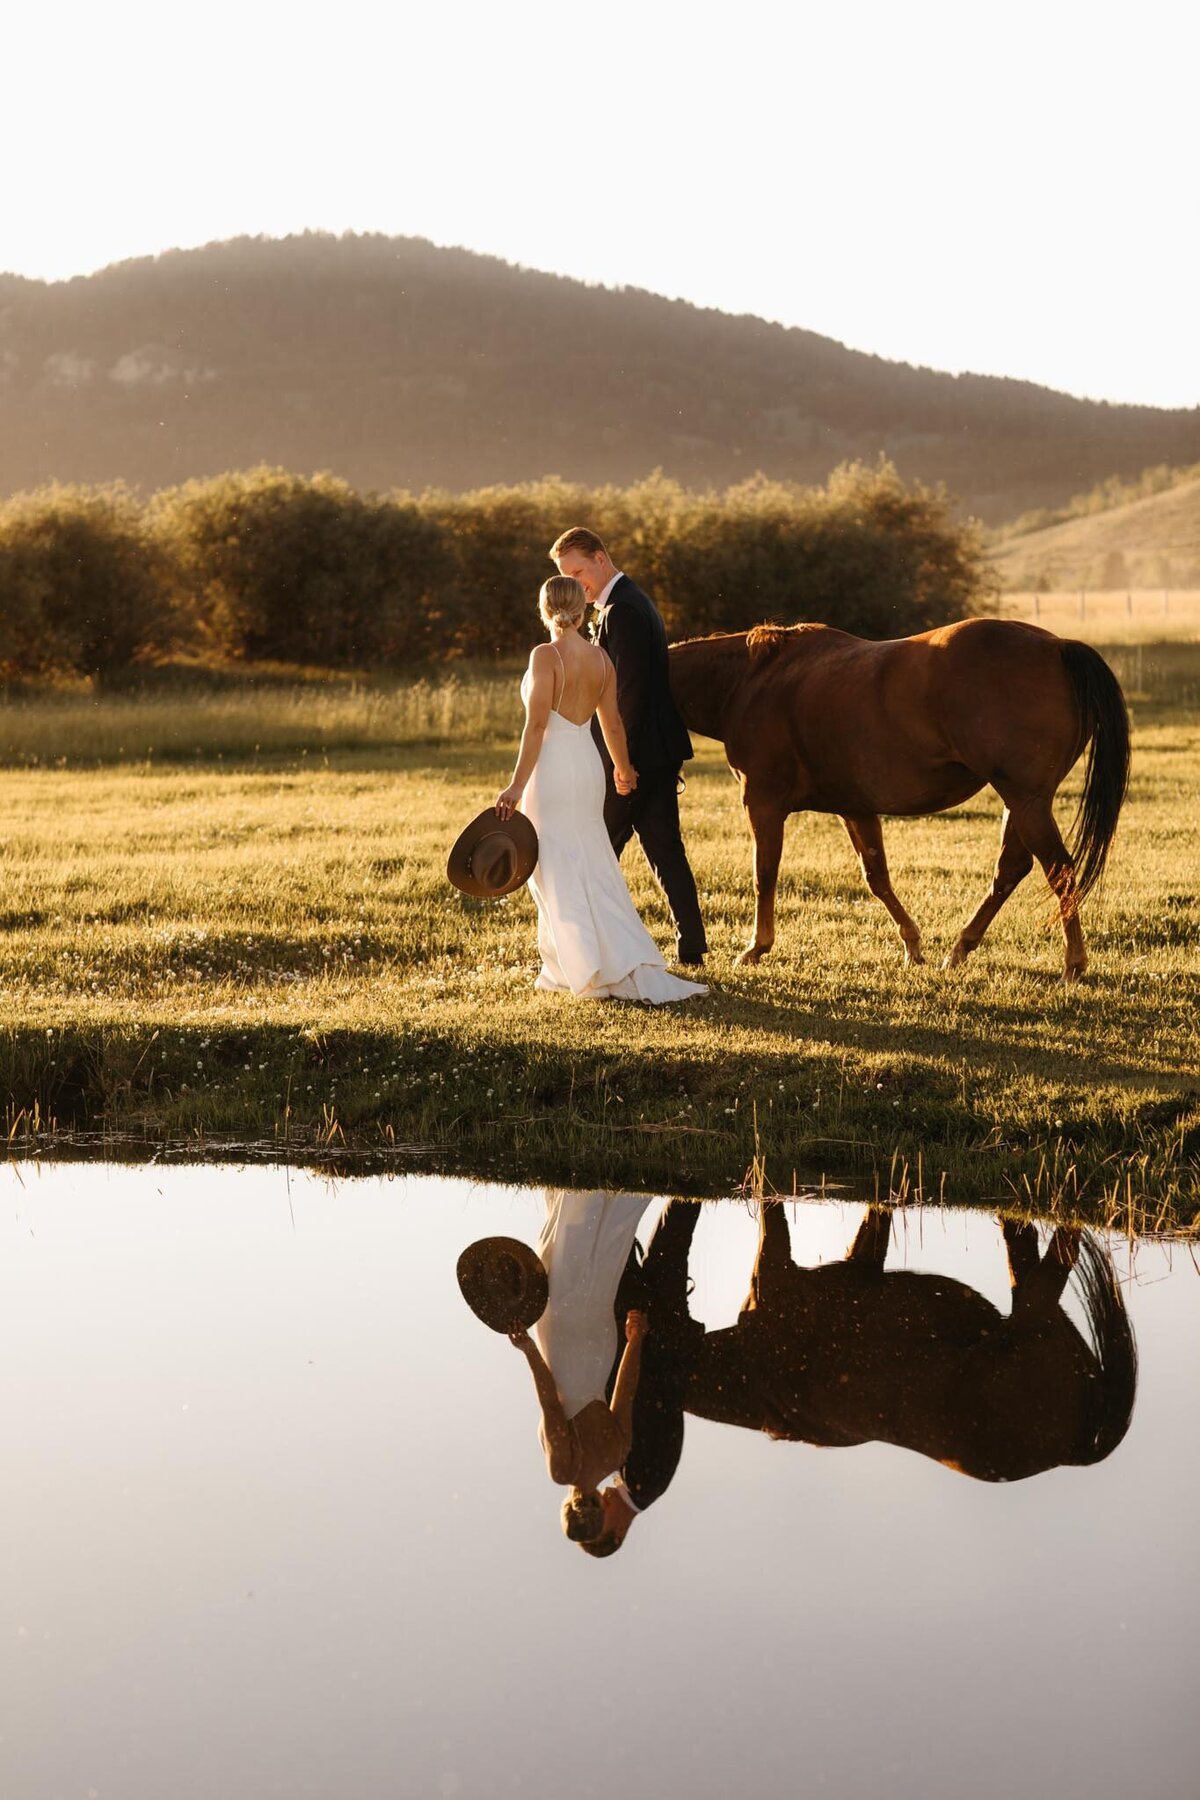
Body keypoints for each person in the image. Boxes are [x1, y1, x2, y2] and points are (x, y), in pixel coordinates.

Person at [495, 574, 707, 1004]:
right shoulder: (601, 661)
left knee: (553, 867)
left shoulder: (544, 656)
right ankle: (577, 961)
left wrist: (516, 786)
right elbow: (612, 724)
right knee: (591, 858)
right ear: (582, 609)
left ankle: (580, 964)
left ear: (544, 610)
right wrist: (623, 770)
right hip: (589, 768)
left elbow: (536, 725)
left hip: (553, 770)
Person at [550, 527, 708, 968]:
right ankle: (691, 947)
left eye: (579, 571)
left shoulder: (623, 611)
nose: (576, 583)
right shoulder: (629, 602)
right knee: (664, 851)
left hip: (635, 757)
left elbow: (630, 696)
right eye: (567, 575)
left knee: (597, 851)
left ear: (601, 558)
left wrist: (623, 765)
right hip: (656, 753)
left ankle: (586, 953)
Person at [507, 1188, 653, 1542]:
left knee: (601, 1276)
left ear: (599, 1511)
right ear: (569, 1508)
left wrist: (635, 1341)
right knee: (563, 1268)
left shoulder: (616, 1455)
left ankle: (625, 1191)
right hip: (567, 1353)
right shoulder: (563, 1470)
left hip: (602, 1351)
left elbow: (626, 1390)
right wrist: (527, 1348)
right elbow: (550, 1405)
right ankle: (582, 1190)